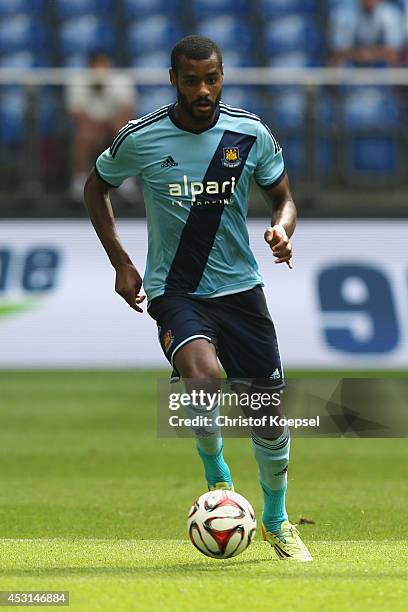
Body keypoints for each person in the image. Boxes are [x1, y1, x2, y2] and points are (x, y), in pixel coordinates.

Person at [83, 35, 312, 561]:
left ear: (222, 76)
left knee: (268, 418)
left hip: (242, 290)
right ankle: (219, 481)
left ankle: (276, 520)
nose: (203, 90)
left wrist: (282, 229)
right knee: (203, 379)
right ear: (173, 80)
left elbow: (284, 198)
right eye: (192, 81)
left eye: (212, 79)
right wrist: (121, 261)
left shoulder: (247, 134)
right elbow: (97, 187)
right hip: (176, 290)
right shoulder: (140, 138)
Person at [66, 50, 136, 202]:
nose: (100, 69)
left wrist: (108, 126)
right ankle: (79, 182)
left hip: (113, 127)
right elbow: (77, 113)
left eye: (103, 64)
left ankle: (126, 182)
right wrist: (96, 127)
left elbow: (127, 110)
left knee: (123, 131)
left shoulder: (121, 81)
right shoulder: (78, 82)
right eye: (96, 65)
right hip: (90, 129)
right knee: (83, 134)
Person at [329, 0, 405, 67]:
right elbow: (339, 52)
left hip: (378, 63)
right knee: (335, 62)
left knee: (395, 63)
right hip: (353, 62)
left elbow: (394, 52)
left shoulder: (390, 13)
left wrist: (368, 54)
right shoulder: (345, 13)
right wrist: (363, 55)